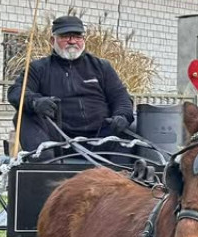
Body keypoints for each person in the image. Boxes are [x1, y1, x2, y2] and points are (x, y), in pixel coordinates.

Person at [7, 15, 134, 152]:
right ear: (52, 40)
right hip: (57, 141)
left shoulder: (102, 66)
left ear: (83, 40)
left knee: (132, 128)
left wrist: (122, 116)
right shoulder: (38, 68)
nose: (72, 41)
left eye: (77, 36)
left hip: (102, 138)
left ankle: (121, 172)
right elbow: (15, 91)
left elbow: (121, 96)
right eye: (65, 36)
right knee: (25, 115)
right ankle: (42, 166)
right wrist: (35, 102)